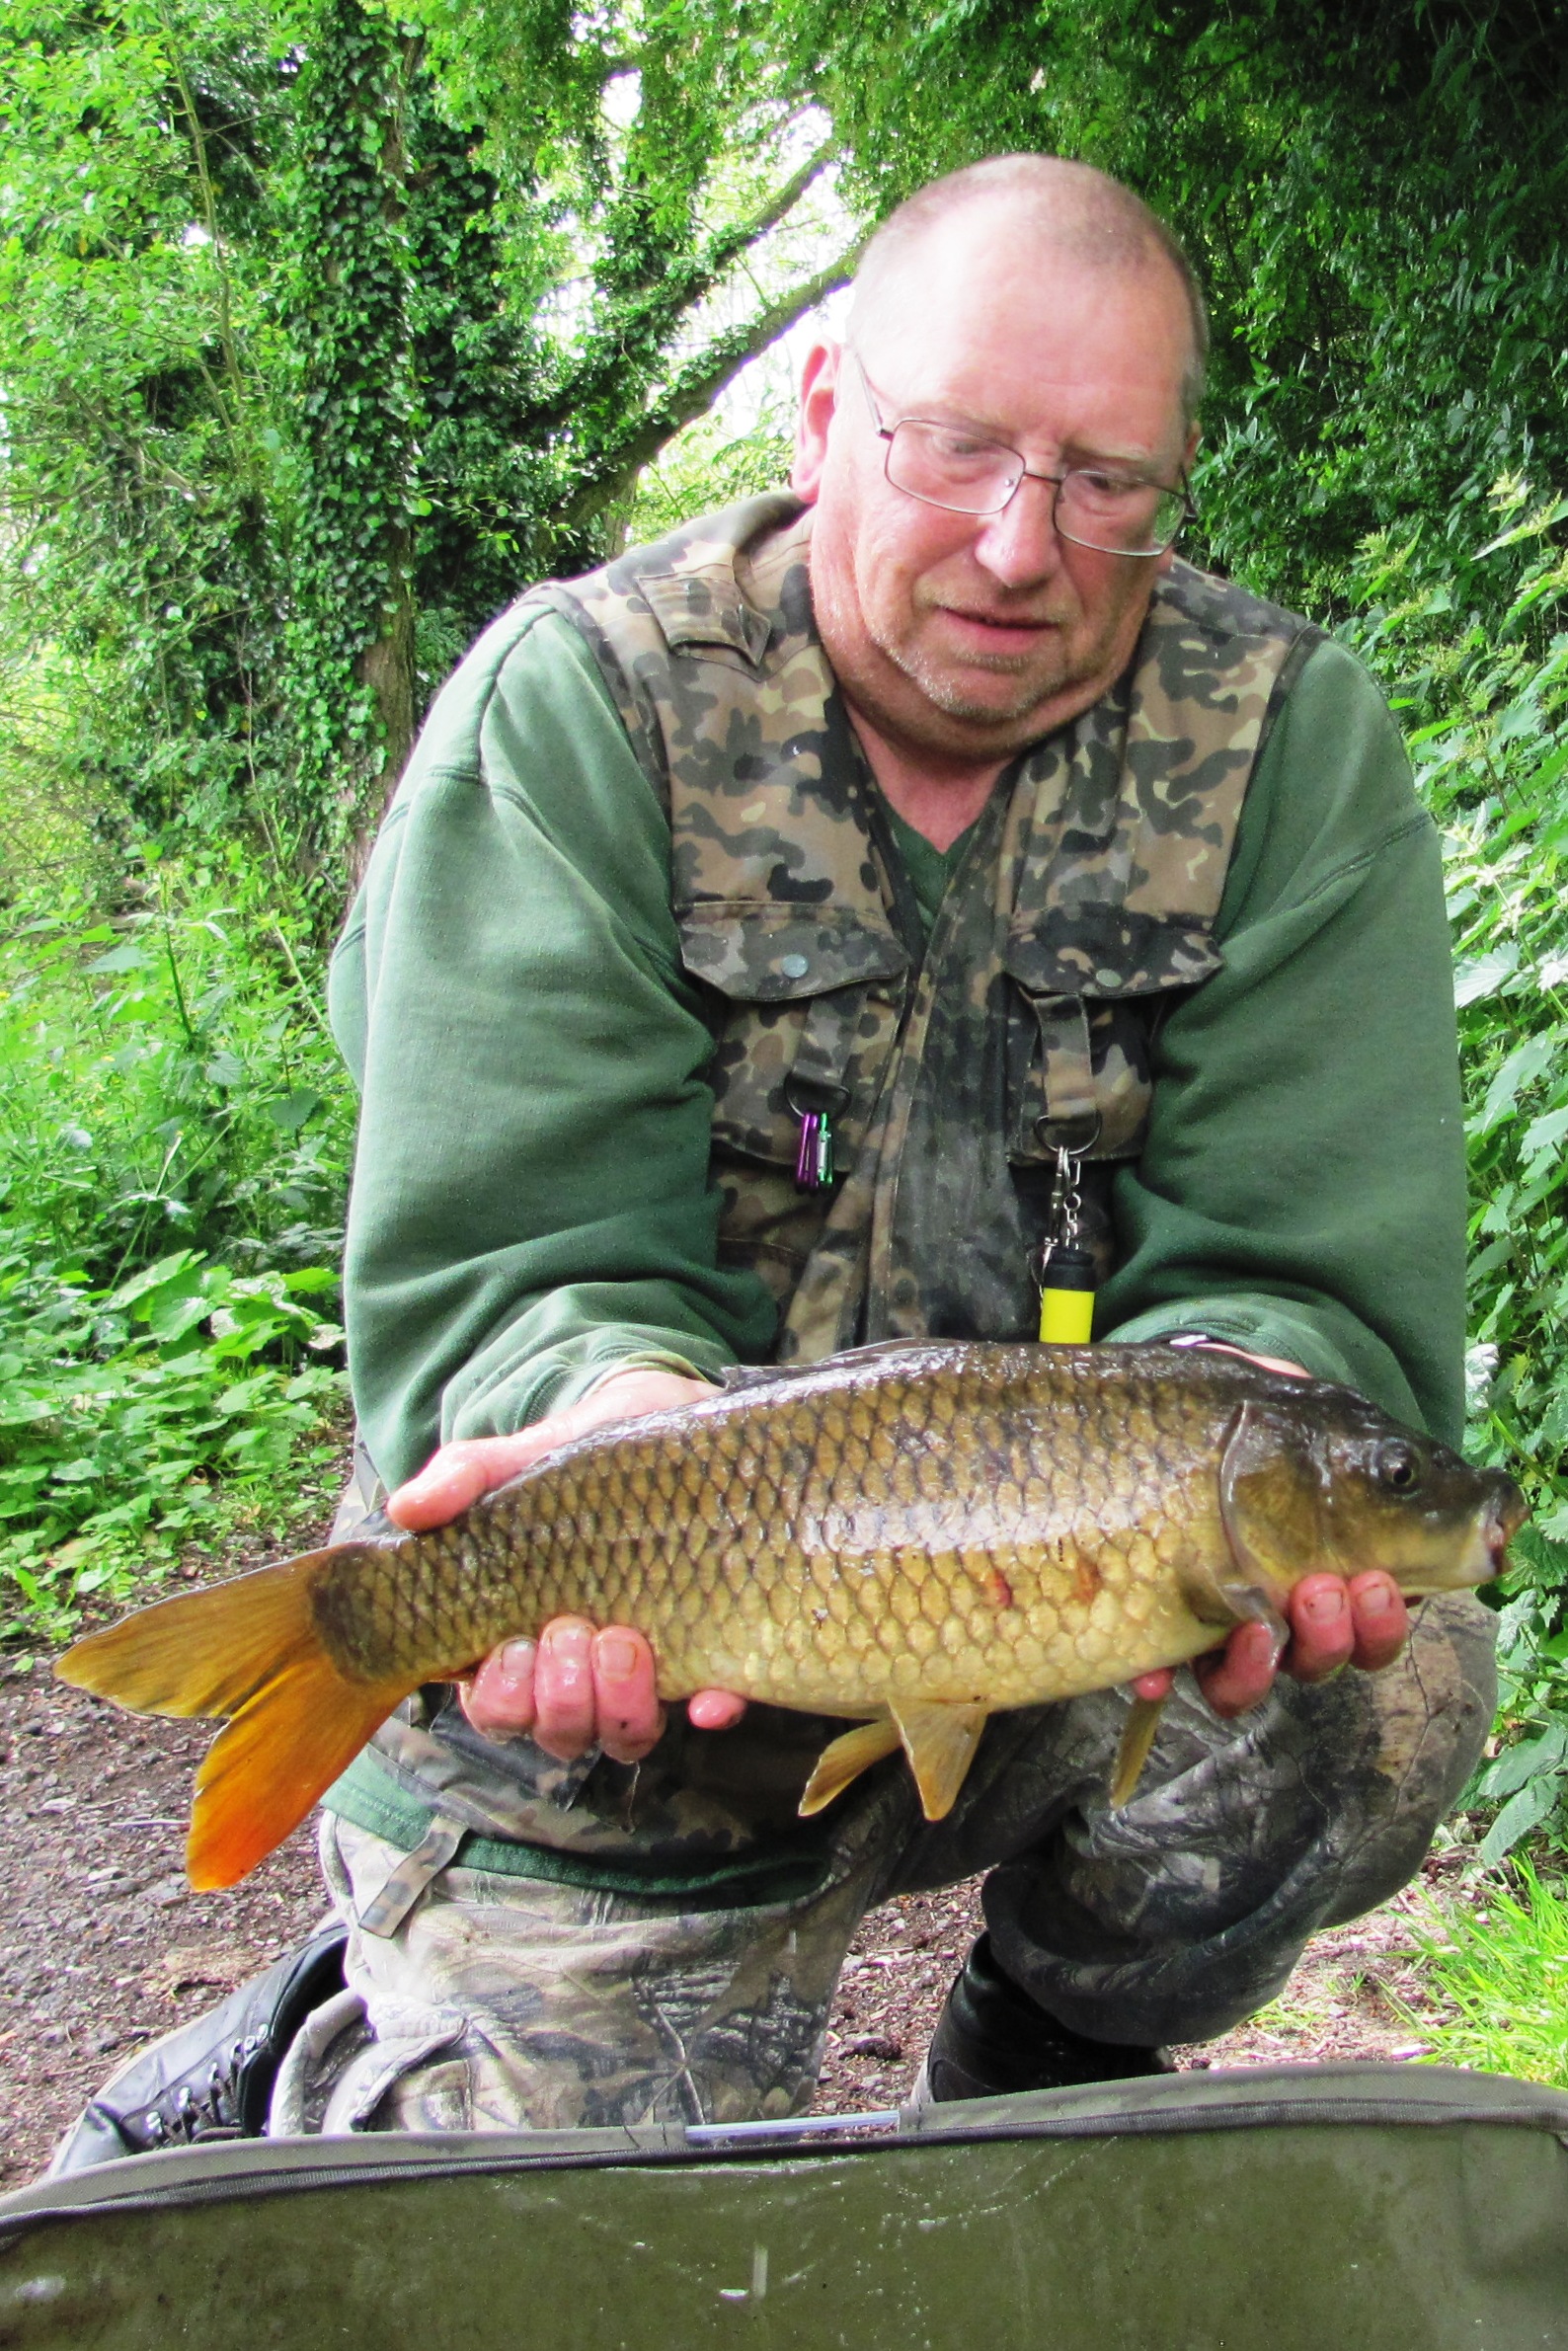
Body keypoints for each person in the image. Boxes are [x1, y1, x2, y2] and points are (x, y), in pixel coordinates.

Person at [53, 152, 1495, 2160]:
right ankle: (336, 2027)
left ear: (1168, 486)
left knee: (1390, 1667)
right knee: (567, 2244)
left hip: (1049, 1611)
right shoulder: (577, 712)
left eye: (1104, 485)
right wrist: (592, 1439)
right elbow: (519, 1248)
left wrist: (1264, 1400)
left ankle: (1043, 2063)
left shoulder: (1279, 747)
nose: (1020, 545)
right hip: (634, 1678)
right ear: (821, 413)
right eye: (952, 449)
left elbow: (1305, 1262)